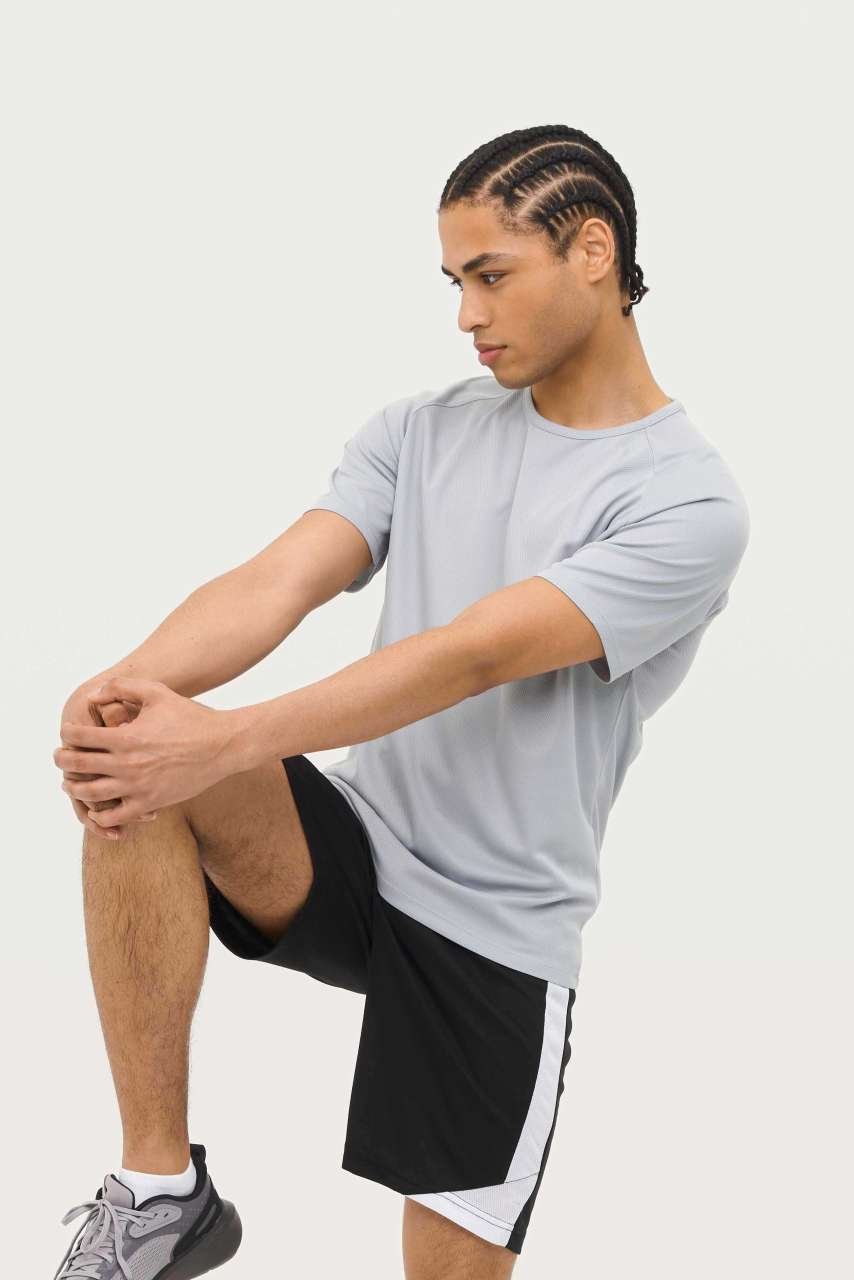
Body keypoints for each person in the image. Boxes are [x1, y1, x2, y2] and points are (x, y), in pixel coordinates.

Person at [51, 124, 750, 1280]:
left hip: (495, 918)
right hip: (355, 850)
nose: (466, 314)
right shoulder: (423, 429)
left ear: (590, 252)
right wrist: (127, 686)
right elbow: (279, 578)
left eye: (490, 275)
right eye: (453, 282)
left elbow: (470, 655)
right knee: (136, 750)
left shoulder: (684, 503)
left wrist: (223, 737)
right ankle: (162, 1190)